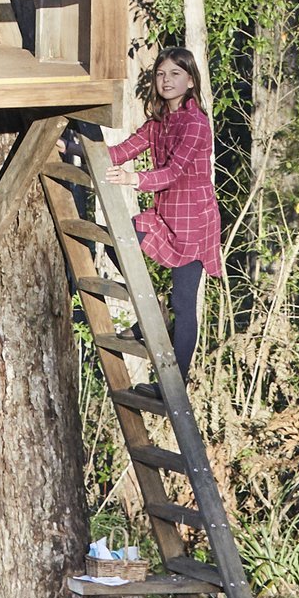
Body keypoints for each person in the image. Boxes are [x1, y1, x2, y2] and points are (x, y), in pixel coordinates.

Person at [102, 46, 222, 380]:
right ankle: (153, 313)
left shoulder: (196, 124)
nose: (166, 81)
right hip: (164, 214)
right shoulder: (160, 121)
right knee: (119, 242)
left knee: (184, 306)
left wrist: (132, 179)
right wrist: (71, 148)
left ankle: (176, 382)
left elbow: (173, 172)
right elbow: (122, 150)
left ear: (190, 82)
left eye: (175, 74)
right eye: (160, 74)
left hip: (194, 222)